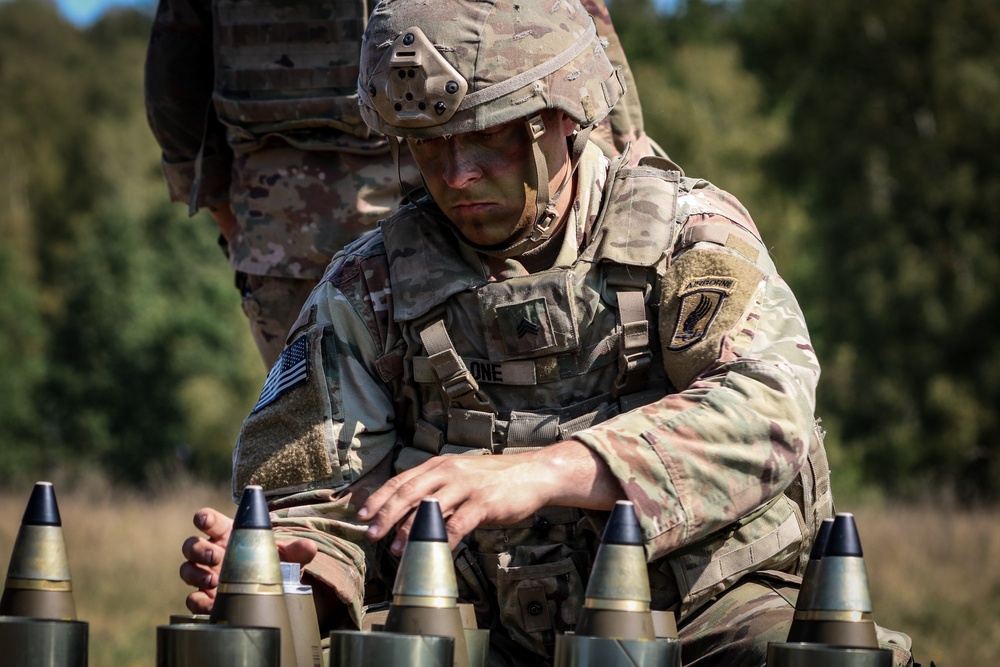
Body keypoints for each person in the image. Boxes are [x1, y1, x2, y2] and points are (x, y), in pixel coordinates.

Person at [178, 0, 913, 665]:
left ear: (564, 117)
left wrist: (545, 470)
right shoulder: (368, 285)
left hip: (713, 617)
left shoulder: (683, 234)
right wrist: (298, 567)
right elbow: (316, 495)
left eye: (489, 138)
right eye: (430, 146)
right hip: (476, 632)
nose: (459, 174)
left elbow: (767, 406)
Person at [143, 0, 655, 369]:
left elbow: (574, 28)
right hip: (298, 229)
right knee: (336, 458)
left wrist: (623, 179)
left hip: (496, 192)